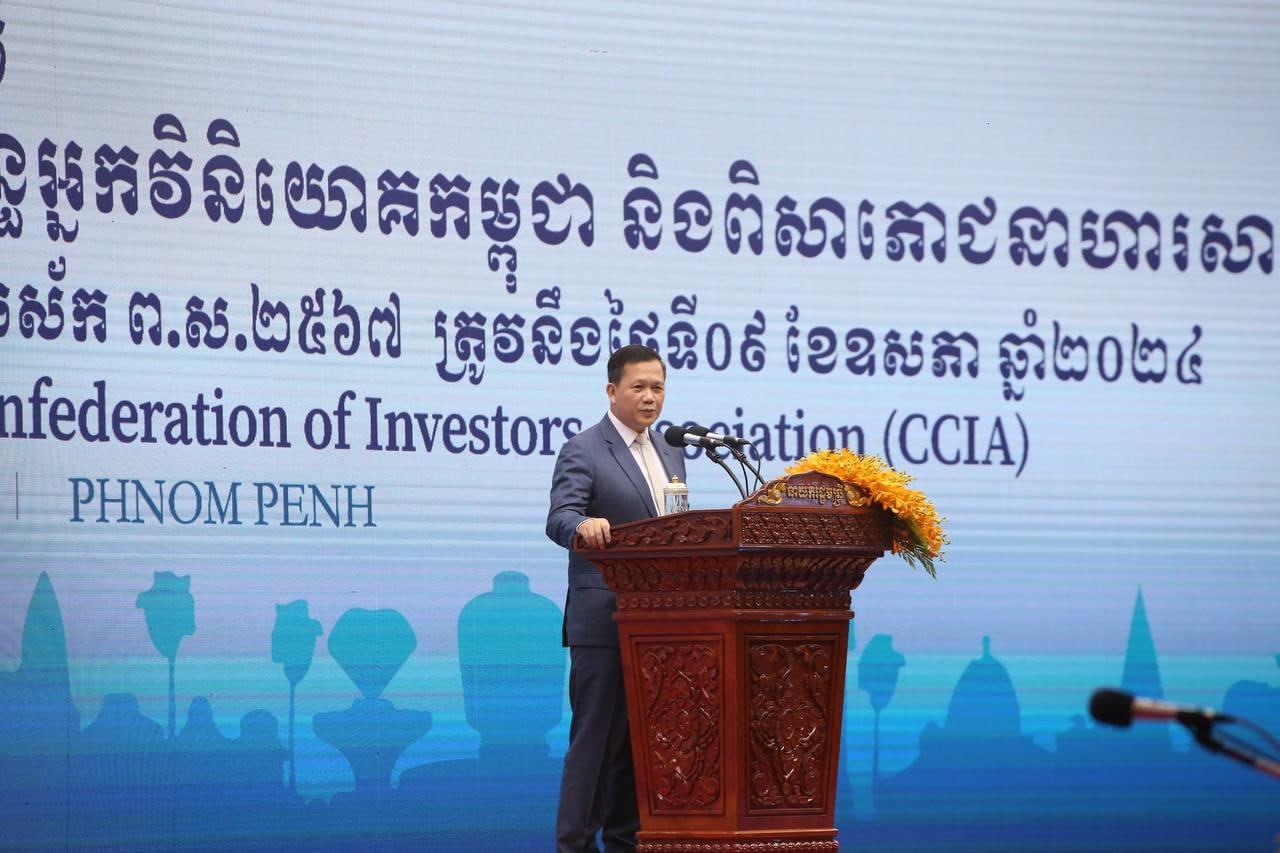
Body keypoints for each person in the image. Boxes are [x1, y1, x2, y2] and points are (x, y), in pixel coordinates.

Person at [547, 345, 687, 853]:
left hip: (659, 627)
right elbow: (559, 515)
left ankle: (625, 843)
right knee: (594, 746)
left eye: (658, 387)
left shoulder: (672, 450)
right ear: (612, 391)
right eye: (639, 387)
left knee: (638, 749)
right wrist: (584, 526)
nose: (651, 397)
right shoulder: (584, 449)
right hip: (604, 622)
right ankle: (575, 845)